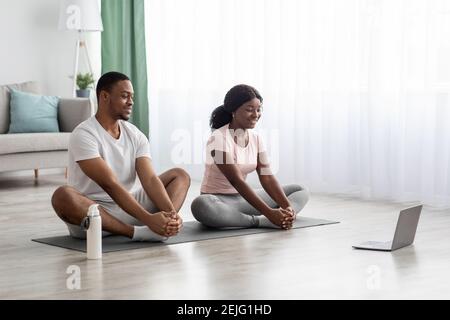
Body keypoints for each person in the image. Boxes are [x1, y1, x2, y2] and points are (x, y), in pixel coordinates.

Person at [51, 71, 190, 241]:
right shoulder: (84, 134)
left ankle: (164, 225)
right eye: (125, 96)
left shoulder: (135, 135)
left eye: (132, 97)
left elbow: (150, 180)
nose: (130, 102)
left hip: (129, 207)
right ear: (104, 96)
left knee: (180, 176)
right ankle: (139, 233)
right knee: (62, 195)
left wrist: (171, 214)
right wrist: (148, 219)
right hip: (93, 216)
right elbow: (110, 184)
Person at [191, 84, 309, 229]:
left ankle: (286, 216)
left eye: (258, 109)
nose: (255, 114)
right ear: (233, 111)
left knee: (300, 189)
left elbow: (267, 177)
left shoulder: (256, 139)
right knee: (200, 205)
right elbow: (236, 181)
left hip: (243, 200)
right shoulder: (218, 139)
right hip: (219, 201)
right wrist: (269, 214)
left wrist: (287, 206)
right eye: (249, 109)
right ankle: (259, 221)